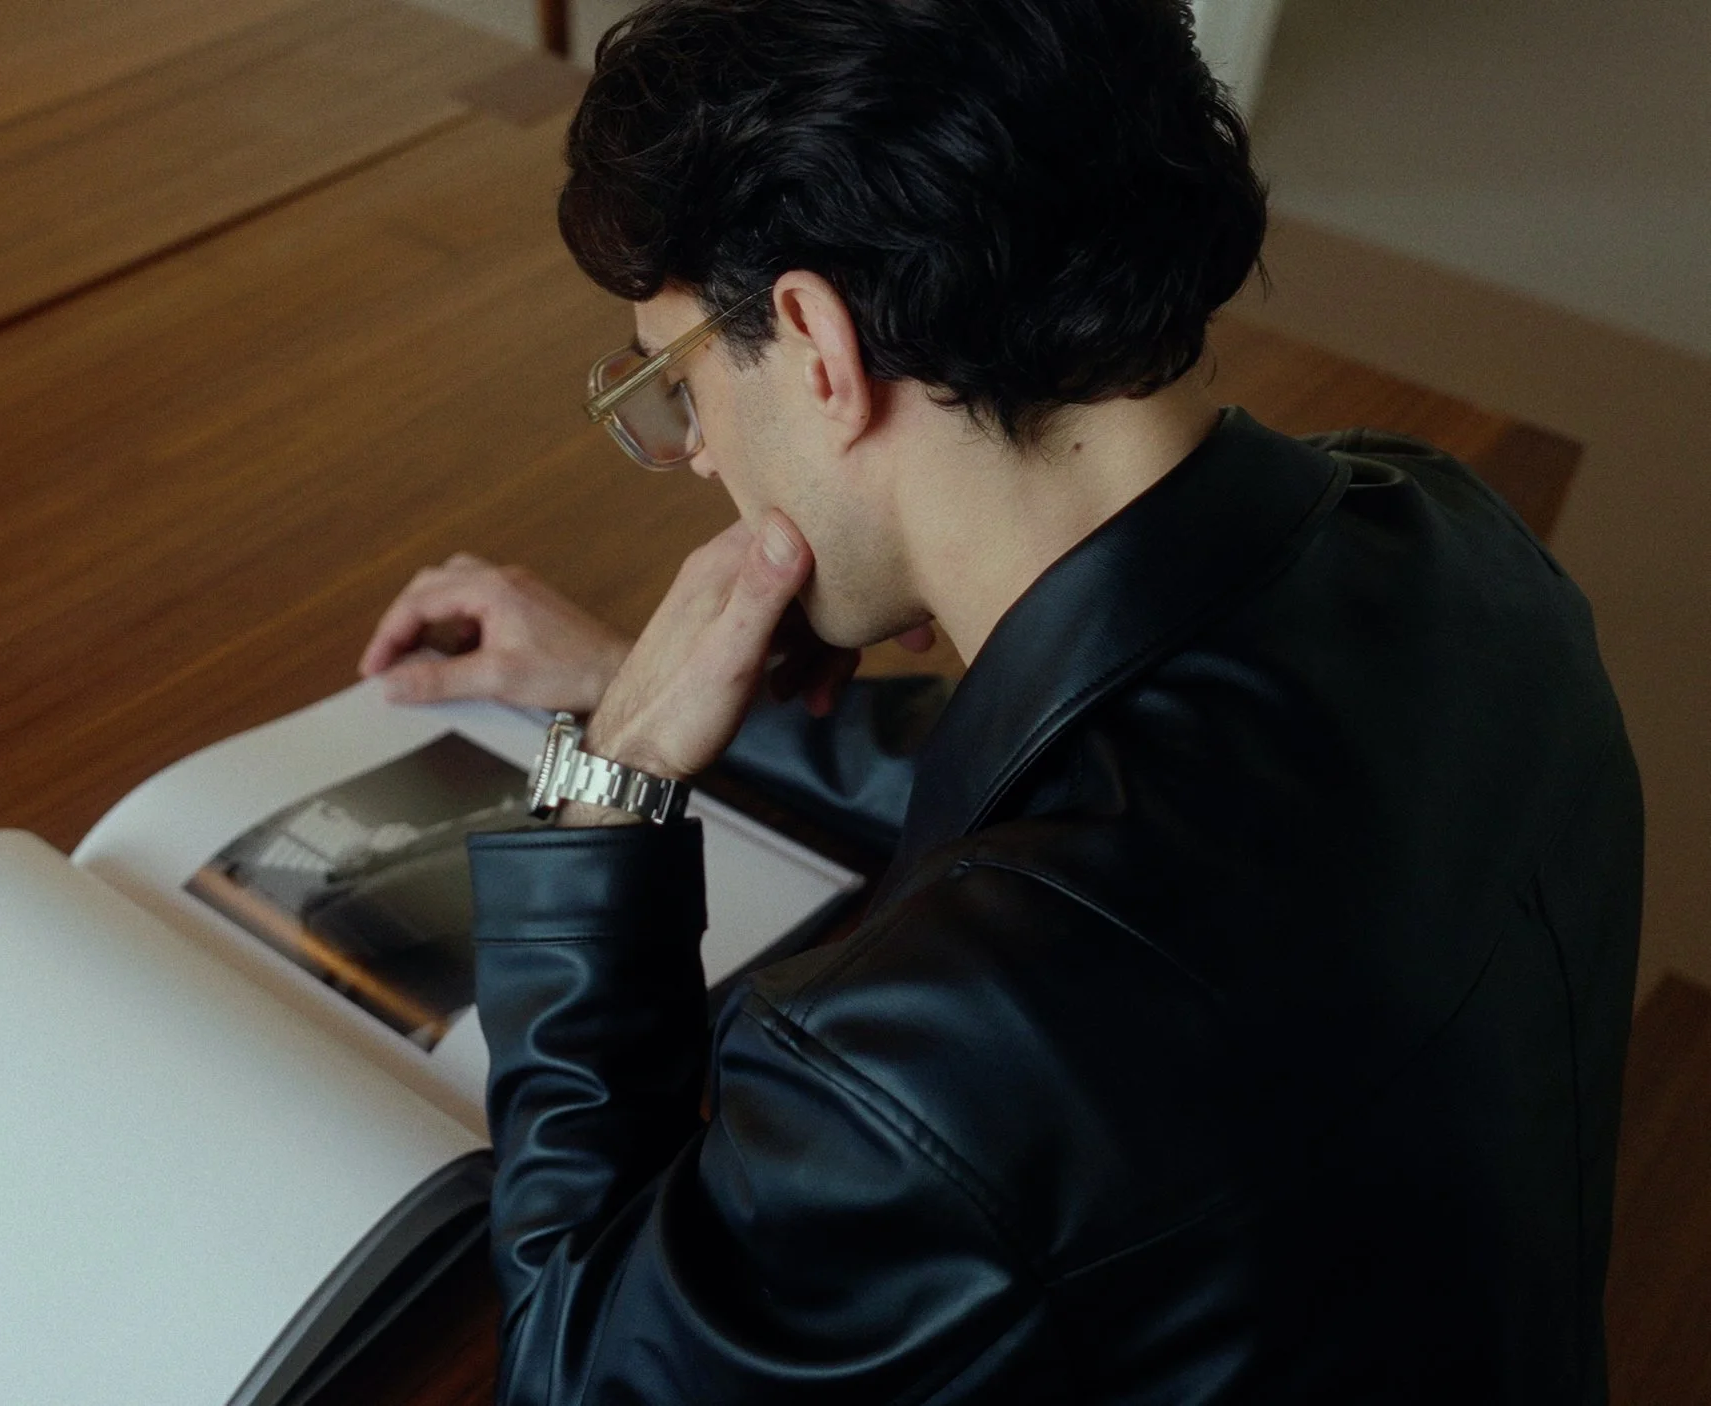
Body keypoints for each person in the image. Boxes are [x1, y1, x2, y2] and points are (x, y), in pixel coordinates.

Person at [355, 0, 1644, 1401]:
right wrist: (631, 677)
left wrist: (602, 799)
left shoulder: (921, 1060)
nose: (700, 456)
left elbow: (582, 1368)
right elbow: (1113, 778)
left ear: (812, 340)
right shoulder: (1453, 533)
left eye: (679, 382)